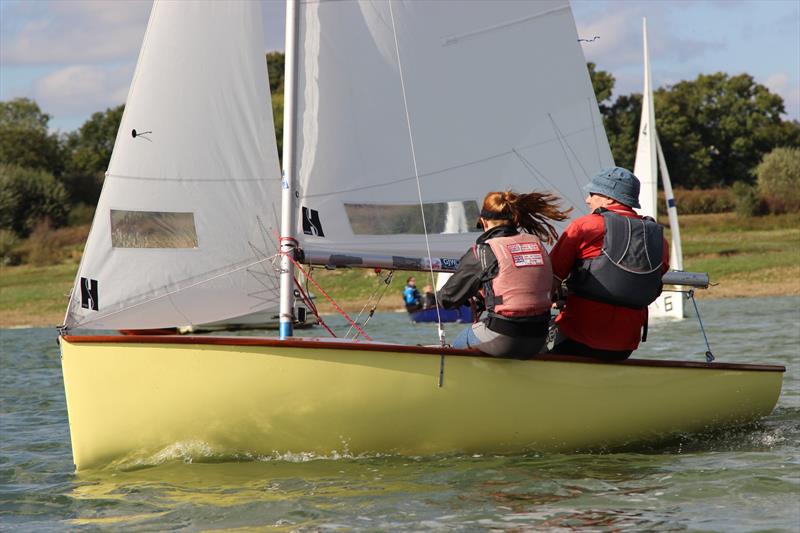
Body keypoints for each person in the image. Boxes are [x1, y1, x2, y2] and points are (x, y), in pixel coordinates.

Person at [549, 167, 669, 360]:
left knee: (531, 344)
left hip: (577, 337)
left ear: (610, 199)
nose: (587, 200)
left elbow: (549, 279)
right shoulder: (658, 239)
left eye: (592, 194)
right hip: (625, 345)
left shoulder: (585, 226)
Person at [438, 190, 571, 357]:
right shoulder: (536, 244)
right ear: (514, 219)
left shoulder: (483, 251)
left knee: (461, 339)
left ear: (484, 222)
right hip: (539, 337)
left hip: (505, 338)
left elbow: (447, 299)